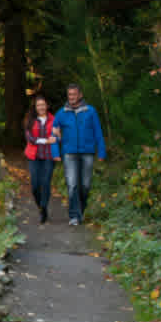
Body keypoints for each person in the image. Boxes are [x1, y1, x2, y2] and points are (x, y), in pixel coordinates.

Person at [53, 83, 106, 226]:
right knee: (72, 184)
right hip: (69, 153)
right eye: (69, 95)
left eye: (74, 94)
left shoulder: (91, 111)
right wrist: (55, 152)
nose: (72, 97)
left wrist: (101, 151)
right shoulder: (61, 113)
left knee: (85, 185)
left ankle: (80, 210)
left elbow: (98, 132)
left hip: (87, 152)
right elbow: (54, 134)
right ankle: (74, 216)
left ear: (80, 95)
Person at [23, 94, 60, 223]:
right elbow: (30, 138)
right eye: (38, 105)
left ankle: (44, 208)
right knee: (34, 185)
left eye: (43, 105)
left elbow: (59, 136)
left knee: (45, 182)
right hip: (33, 156)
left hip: (49, 156)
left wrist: (56, 139)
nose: (41, 107)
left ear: (47, 106)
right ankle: (39, 206)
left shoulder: (54, 119)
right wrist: (45, 140)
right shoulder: (30, 120)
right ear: (35, 107)